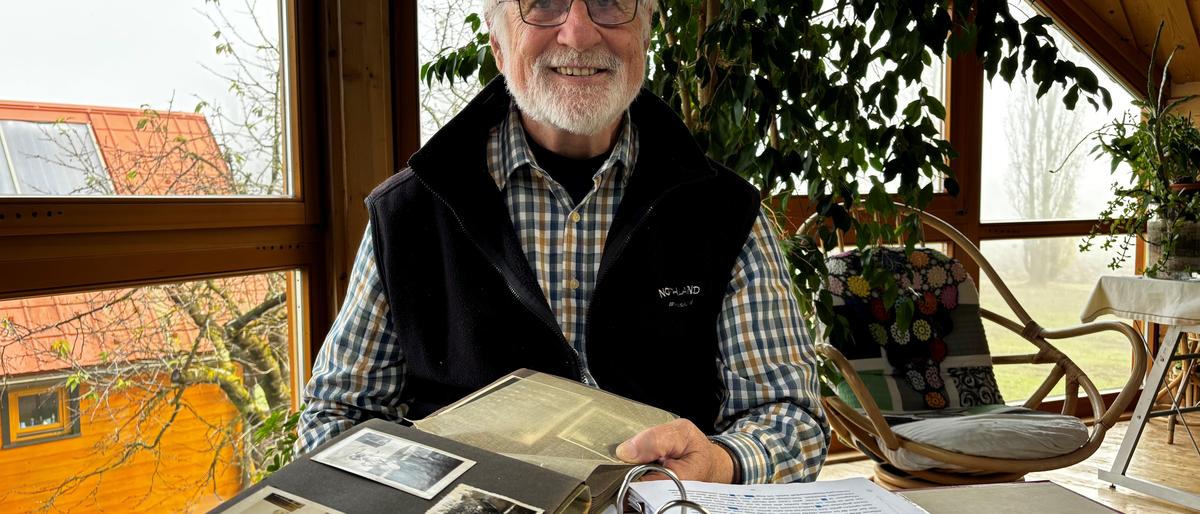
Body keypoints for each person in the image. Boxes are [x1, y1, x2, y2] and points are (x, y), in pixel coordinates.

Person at [297, 0, 829, 484]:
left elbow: (792, 418)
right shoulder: (408, 214)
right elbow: (336, 418)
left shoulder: (724, 210)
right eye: (543, 4)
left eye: (610, 2)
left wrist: (720, 463)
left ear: (646, 33)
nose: (578, 33)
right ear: (498, 46)